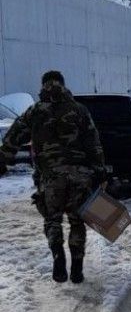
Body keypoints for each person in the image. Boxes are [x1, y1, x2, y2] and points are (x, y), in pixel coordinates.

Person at [0, 70, 105, 284]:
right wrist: (99, 170)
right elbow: (93, 142)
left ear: (43, 86)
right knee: (77, 222)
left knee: (52, 219)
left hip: (50, 177)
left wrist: (4, 158)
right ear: (64, 86)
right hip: (80, 175)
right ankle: (77, 267)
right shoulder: (79, 110)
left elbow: (13, 137)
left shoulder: (35, 111)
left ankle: (58, 255)